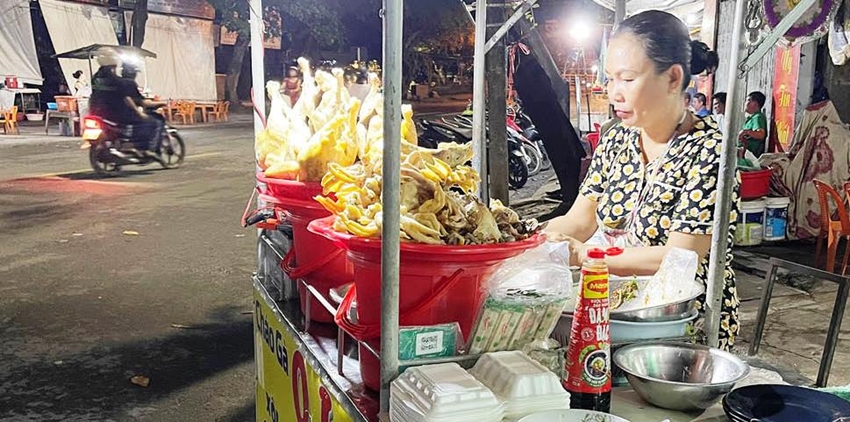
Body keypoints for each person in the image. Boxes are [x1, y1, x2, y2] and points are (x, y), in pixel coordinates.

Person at [543, 10, 740, 351]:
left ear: (673, 79)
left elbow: (681, 256)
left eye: (627, 79)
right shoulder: (617, 139)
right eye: (610, 79)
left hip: (681, 325)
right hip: (614, 312)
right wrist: (537, 238)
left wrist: (586, 255)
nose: (613, 92)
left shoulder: (711, 151)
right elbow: (580, 218)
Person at [89, 54, 164, 160]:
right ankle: (144, 148)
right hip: (118, 113)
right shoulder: (124, 83)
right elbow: (130, 100)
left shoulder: (96, 78)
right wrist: (141, 113)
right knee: (152, 122)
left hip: (99, 111)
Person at [739, 91, 767, 157]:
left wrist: (745, 132)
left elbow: (761, 134)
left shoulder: (758, 117)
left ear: (755, 104)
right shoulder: (751, 118)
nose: (745, 103)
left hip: (749, 155)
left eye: (748, 100)